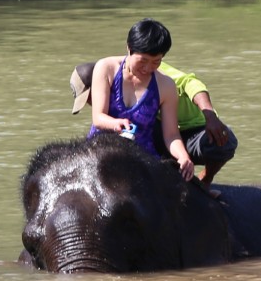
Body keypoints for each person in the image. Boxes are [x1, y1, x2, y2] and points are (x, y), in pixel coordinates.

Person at [70, 59, 239, 186]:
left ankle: (205, 180)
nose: (90, 104)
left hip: (191, 128)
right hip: (157, 128)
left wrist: (210, 116)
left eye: (89, 98)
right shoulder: (115, 83)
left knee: (223, 142)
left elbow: (191, 83)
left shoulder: (157, 75)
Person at [81, 19, 196, 183]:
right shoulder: (106, 68)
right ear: (129, 48)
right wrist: (116, 125)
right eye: (142, 61)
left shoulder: (166, 86)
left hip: (142, 157)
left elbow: (171, 135)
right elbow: (98, 117)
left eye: (156, 62)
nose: (148, 68)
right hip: (100, 148)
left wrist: (183, 156)